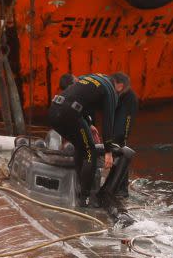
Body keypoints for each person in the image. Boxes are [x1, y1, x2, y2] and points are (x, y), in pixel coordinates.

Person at [47, 72, 138, 208]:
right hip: (70, 115)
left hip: (54, 112)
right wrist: (108, 151)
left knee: (81, 146)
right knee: (91, 152)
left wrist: (89, 125)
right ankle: (85, 199)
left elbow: (79, 99)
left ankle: (79, 188)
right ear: (119, 86)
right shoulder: (110, 92)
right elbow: (108, 123)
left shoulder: (91, 77)